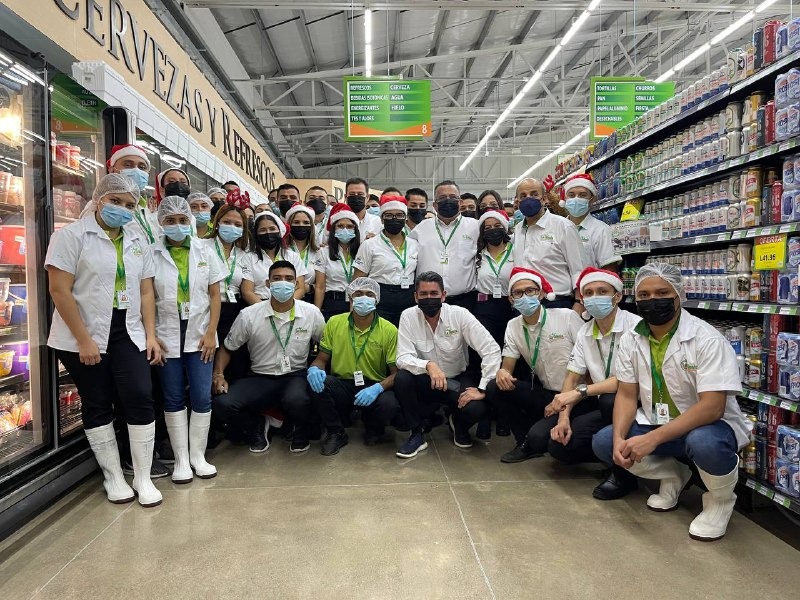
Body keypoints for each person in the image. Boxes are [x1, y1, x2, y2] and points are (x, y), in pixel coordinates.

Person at [592, 263, 752, 541]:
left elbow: (713, 407)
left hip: (709, 426)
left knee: (704, 442)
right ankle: (673, 475)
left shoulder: (706, 339)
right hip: (658, 421)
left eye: (662, 292)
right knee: (605, 442)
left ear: (679, 294)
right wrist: (620, 438)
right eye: (644, 295)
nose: (653, 300)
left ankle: (720, 500)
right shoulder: (633, 339)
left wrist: (652, 440)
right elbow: (627, 394)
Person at [46, 173, 163, 508]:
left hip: (127, 329)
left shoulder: (137, 238)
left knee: (140, 395)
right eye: (116, 202)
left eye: (130, 205)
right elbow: (59, 290)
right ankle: (113, 476)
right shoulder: (71, 235)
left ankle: (142, 477)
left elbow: (145, 290)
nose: (123, 210)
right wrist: (84, 340)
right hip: (79, 332)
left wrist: (151, 335)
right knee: (97, 401)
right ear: (98, 200)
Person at [540, 268, 640, 497]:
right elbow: (572, 376)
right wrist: (563, 418)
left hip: (637, 403)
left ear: (617, 296)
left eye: (602, 291)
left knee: (608, 401)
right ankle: (610, 453)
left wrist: (581, 392)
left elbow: (630, 380)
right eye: (589, 293)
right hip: (603, 403)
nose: (595, 297)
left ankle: (623, 475)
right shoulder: (586, 331)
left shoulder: (635, 327)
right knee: (558, 446)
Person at [213, 261, 325, 453]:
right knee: (222, 404)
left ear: (297, 284)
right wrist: (218, 374)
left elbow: (326, 346)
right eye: (277, 279)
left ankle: (298, 428)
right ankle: (256, 424)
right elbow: (227, 348)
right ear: (268, 283)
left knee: (302, 399)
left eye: (289, 279)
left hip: (295, 376)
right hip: (260, 377)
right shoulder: (248, 315)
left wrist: (317, 366)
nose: (283, 283)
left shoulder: (311, 313)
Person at [152, 196, 223, 484]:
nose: (178, 226)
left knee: (202, 396)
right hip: (166, 333)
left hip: (200, 334)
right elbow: (146, 297)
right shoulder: (151, 253)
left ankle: (198, 456)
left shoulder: (205, 251)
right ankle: (181, 459)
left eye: (183, 220)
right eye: (171, 221)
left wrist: (210, 333)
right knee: (172, 396)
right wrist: (151, 335)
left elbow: (215, 295)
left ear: (191, 222)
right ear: (161, 223)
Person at [394, 272, 501, 458]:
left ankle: (458, 423)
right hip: (427, 380)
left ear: (443, 295)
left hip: (456, 378)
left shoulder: (459, 315)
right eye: (424, 294)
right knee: (402, 378)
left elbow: (491, 349)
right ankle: (417, 434)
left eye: (434, 294)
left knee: (477, 407)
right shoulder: (408, 316)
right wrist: (429, 365)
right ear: (415, 297)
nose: (429, 298)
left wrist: (482, 387)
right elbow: (402, 357)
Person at [486, 267, 582, 463]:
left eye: (530, 291)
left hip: (577, 395)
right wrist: (502, 373)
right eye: (518, 293)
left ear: (542, 293)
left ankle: (542, 434)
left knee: (541, 439)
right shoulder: (513, 325)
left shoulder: (567, 317)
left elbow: (587, 367)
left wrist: (564, 402)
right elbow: (507, 366)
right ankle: (524, 441)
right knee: (495, 386)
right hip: (546, 393)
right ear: (511, 299)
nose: (524, 296)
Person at [307, 278, 399, 455]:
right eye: (358, 294)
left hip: (373, 385)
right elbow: (322, 359)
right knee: (317, 384)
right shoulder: (334, 322)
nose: (364, 298)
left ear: (377, 299)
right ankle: (336, 432)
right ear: (350, 297)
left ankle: (374, 427)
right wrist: (314, 369)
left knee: (390, 404)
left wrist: (377, 388)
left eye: (369, 294)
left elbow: (397, 373)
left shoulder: (389, 330)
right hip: (343, 384)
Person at [511, 178, 586, 310]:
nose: (528, 199)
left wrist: (579, 303)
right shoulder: (518, 229)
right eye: (523, 196)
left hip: (556, 302)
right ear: (517, 202)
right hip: (525, 303)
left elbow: (578, 269)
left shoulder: (563, 226)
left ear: (545, 198)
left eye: (534, 194)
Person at [409, 180, 480, 312]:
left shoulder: (475, 227)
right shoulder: (420, 229)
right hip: (429, 300)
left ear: (460, 202)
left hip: (465, 300)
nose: (448, 201)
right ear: (435, 205)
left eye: (453, 197)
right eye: (442, 198)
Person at [353, 194, 418, 326]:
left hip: (408, 300)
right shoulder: (369, 245)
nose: (394, 219)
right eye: (388, 215)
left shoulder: (415, 244)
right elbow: (357, 281)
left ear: (405, 218)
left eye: (399, 215)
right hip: (380, 299)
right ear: (382, 219)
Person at [206, 199, 252, 382]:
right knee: (207, 356)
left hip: (234, 310)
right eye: (227, 222)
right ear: (217, 223)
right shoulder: (202, 247)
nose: (231, 227)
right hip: (207, 309)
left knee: (233, 357)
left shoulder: (244, 255)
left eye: (237, 224)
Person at [559, 173, 621, 272]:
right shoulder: (557, 228)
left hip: (588, 286)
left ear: (592, 199)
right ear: (565, 199)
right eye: (571, 195)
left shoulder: (601, 230)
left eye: (582, 195)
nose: (576, 198)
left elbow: (609, 269)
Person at [241, 211, 307, 304]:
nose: (268, 233)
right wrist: (267, 309)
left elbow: (300, 288)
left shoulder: (293, 256)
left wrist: (285, 307)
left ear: (279, 231)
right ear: (256, 234)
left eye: (272, 229)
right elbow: (247, 292)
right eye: (262, 230)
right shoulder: (248, 258)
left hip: (289, 306)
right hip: (259, 306)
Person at [474, 209, 514, 348]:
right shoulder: (477, 254)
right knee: (488, 346)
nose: (493, 230)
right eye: (488, 228)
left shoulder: (516, 250)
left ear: (505, 228)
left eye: (497, 226)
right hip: (485, 307)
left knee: (509, 345)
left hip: (511, 305)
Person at [314, 204, 361, 320]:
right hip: (332, 302)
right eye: (340, 226)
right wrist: (316, 313)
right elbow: (320, 286)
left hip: (358, 303)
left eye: (350, 226)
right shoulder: (324, 252)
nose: (345, 229)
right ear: (334, 229)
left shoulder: (363, 250)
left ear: (356, 230)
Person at [106, 144, 159, 246]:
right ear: (112, 170)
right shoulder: (103, 206)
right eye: (128, 165)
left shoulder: (142, 208)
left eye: (142, 167)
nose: (136, 171)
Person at [285, 203, 320, 303]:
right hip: (284, 299)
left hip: (309, 300)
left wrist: (309, 288)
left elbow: (322, 283)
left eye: (306, 222)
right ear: (289, 225)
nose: (301, 225)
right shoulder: (281, 250)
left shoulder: (318, 252)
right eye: (296, 222)